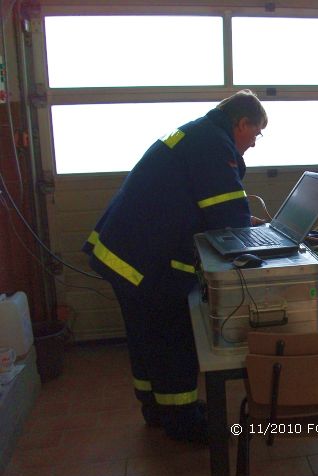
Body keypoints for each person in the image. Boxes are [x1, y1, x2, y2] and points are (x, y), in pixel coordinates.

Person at [82, 90, 268, 443]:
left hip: (124, 252)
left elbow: (207, 202)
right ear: (241, 123)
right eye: (255, 133)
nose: (254, 143)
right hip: (145, 260)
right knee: (172, 336)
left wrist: (245, 222)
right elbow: (227, 214)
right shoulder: (214, 143)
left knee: (145, 336)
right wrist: (254, 238)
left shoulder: (197, 133)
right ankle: (182, 420)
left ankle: (156, 407)